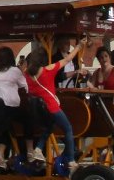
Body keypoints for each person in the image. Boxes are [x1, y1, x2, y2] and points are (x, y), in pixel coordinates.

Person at [25, 35, 89, 171]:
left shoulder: (26, 74)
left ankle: (38, 149)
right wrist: (78, 46)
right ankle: (71, 161)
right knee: (68, 129)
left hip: (38, 109)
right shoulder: (48, 70)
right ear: (43, 61)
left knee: (49, 127)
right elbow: (67, 59)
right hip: (51, 106)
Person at [0, 46, 28, 175]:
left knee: (5, 126)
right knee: (28, 120)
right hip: (8, 109)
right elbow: (26, 87)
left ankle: (1, 156)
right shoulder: (15, 71)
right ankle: (29, 151)